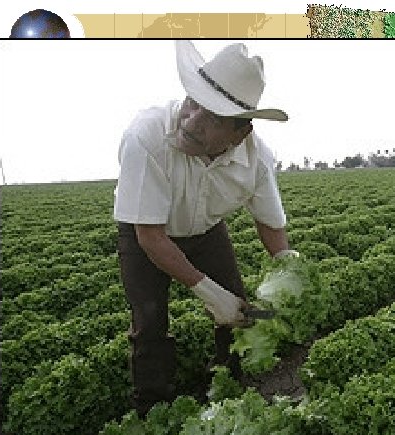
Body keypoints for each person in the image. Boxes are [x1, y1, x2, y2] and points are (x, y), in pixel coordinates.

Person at [113, 40, 298, 415]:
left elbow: (270, 223)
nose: (192, 120)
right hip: (145, 232)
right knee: (149, 320)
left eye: (212, 116)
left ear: (239, 133)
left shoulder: (257, 161)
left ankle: (228, 384)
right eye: (192, 101)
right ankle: (153, 409)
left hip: (207, 229)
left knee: (240, 309)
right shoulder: (146, 135)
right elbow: (150, 237)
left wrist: (292, 271)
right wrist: (208, 294)